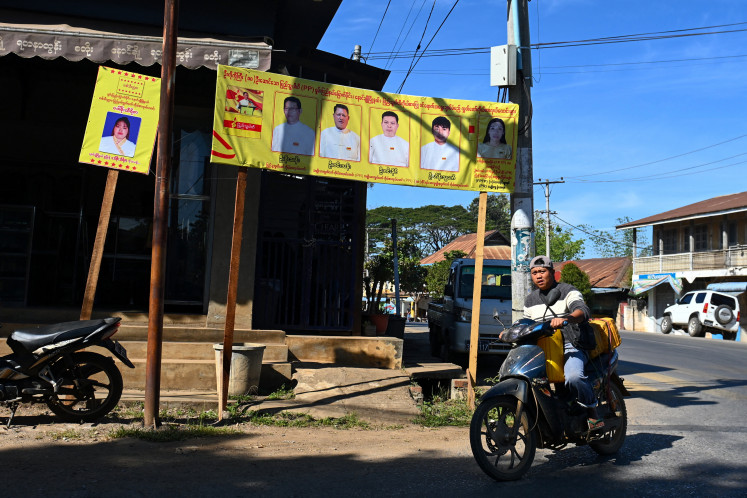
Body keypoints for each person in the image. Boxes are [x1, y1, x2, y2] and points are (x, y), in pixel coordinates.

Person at [523, 255, 602, 430]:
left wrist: (566, 318)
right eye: (534, 272)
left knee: (573, 377)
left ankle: (592, 413)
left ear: (552, 272)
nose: (538, 276)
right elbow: (527, 323)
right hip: (544, 349)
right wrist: (509, 331)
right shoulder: (530, 300)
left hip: (571, 344)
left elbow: (582, 310)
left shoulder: (568, 291)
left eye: (542, 271)